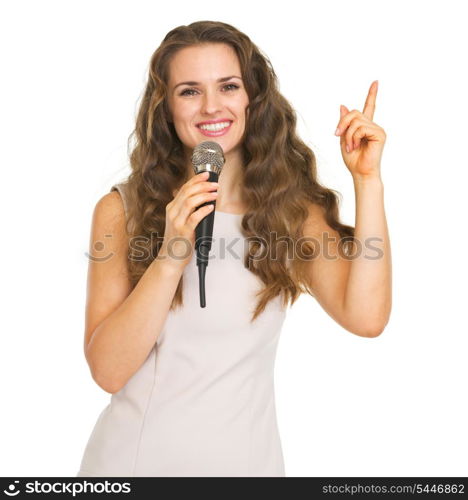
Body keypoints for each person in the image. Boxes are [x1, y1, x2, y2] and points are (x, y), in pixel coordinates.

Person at [77, 20, 392, 477]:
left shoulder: (291, 211)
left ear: (252, 97)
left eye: (228, 86)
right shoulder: (121, 210)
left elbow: (366, 318)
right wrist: (171, 255)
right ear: (165, 107)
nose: (211, 107)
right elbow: (107, 372)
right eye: (189, 91)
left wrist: (368, 181)